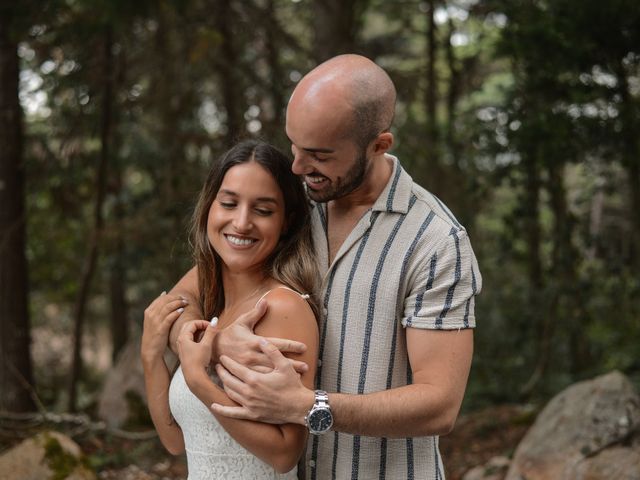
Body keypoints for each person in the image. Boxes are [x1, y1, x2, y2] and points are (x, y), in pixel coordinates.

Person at [166, 54, 482, 479]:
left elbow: (440, 404)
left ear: (379, 145)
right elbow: (184, 294)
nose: (297, 166)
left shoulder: (436, 241)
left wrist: (309, 407)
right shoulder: (291, 204)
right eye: (294, 145)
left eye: (318, 154)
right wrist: (216, 343)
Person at [141, 139, 320, 479]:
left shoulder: (281, 307)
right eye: (229, 203)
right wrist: (151, 358)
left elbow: (285, 453)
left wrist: (199, 381)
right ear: (210, 206)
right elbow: (177, 442)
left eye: (263, 210)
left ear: (286, 221)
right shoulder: (213, 299)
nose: (241, 223)